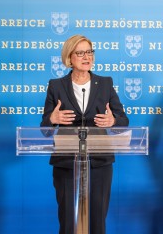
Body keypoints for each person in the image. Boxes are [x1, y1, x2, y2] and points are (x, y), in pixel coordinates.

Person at [41, 34, 129, 234]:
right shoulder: (56, 86)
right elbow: (44, 130)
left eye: (89, 52)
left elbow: (123, 121)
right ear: (69, 57)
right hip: (66, 161)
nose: (86, 56)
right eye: (80, 53)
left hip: (99, 162)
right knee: (67, 219)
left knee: (97, 220)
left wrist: (113, 121)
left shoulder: (105, 83)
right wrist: (52, 119)